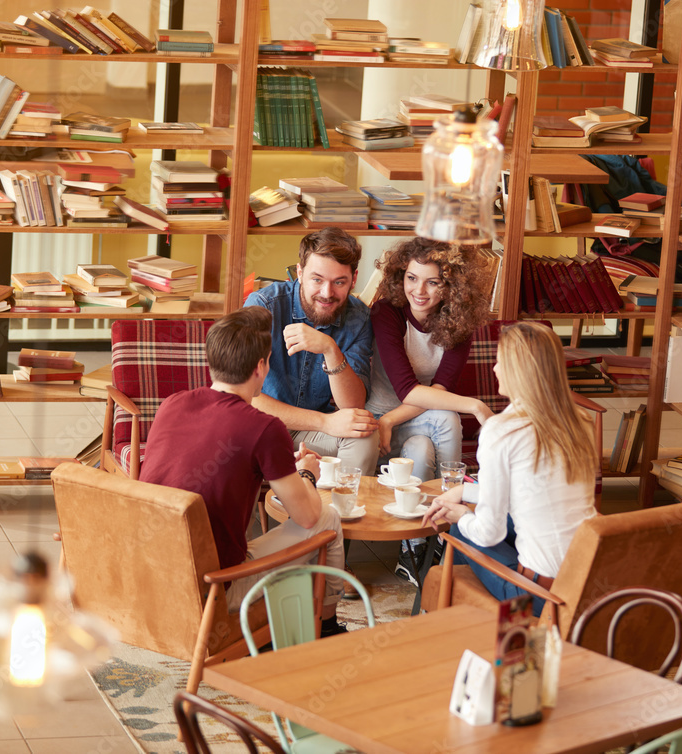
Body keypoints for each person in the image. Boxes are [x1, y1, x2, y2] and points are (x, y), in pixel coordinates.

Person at [138, 307, 348, 635]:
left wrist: (279, 465)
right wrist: (307, 472)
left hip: (149, 572)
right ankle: (329, 623)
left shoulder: (173, 403)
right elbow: (307, 517)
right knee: (328, 519)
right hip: (213, 587)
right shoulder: (265, 427)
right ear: (261, 367)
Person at [421, 322, 597, 614]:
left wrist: (462, 514)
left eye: (500, 360)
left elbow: (488, 534)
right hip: (587, 575)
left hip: (541, 595)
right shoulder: (578, 421)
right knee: (498, 516)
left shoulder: (501, 431)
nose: (494, 368)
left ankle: (450, 619)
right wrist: (464, 490)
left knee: (463, 528)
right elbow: (528, 491)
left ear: (518, 370)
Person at [367, 238, 494, 583]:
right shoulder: (387, 313)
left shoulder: (458, 321)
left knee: (425, 445)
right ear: (400, 277)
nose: (418, 290)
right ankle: (449, 533)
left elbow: (438, 391)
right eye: (411, 278)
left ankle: (415, 547)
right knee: (449, 415)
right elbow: (409, 389)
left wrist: (394, 419)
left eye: (432, 281)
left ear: (450, 286)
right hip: (377, 420)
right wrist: (475, 406)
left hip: (398, 422)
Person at [244, 227, 380, 473]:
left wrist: (330, 349)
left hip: (314, 433)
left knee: (365, 436)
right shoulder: (264, 306)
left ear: (354, 278)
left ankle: (339, 511)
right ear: (299, 272)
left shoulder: (359, 318)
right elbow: (245, 397)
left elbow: (353, 404)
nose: (327, 294)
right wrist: (325, 422)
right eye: (317, 279)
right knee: (239, 438)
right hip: (262, 428)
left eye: (339, 282)